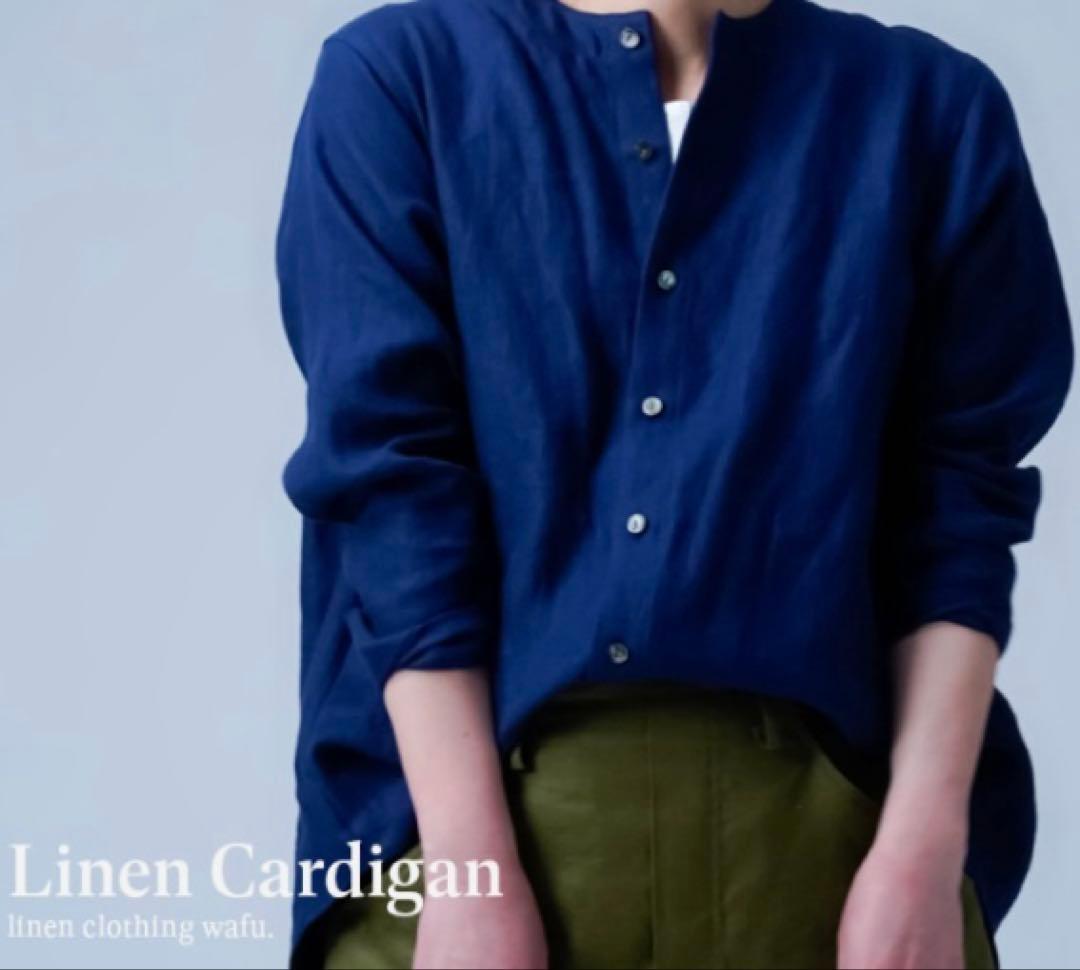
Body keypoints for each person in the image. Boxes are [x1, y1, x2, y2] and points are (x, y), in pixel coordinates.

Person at [274, 0, 1074, 967]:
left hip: (838, 856)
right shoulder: (401, 77)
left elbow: (959, 507)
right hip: (456, 838)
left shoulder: (931, 108)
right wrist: (467, 871)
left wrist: (922, 855)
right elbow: (391, 486)